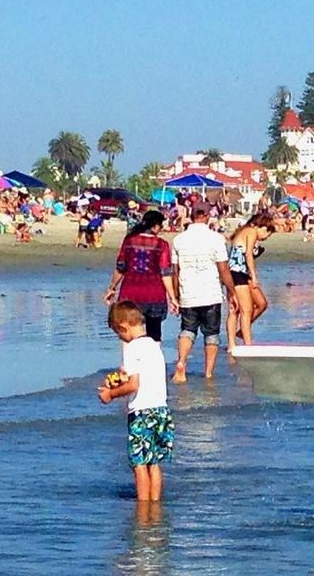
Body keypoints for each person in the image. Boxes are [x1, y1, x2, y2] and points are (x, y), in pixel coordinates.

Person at [98, 301, 174, 502]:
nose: (121, 338)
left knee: (139, 463)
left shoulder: (132, 348)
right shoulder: (153, 345)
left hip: (141, 412)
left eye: (119, 333)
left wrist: (110, 395)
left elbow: (134, 385)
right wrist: (118, 379)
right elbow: (141, 376)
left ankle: (142, 508)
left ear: (123, 327)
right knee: (154, 462)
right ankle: (155, 505)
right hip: (161, 410)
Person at [171, 208, 239, 382]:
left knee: (187, 330)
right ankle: (208, 373)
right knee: (211, 334)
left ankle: (181, 362)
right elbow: (223, 269)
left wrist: (176, 295)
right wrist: (232, 291)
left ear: (192, 216)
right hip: (210, 293)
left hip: (188, 293)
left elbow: (175, 272)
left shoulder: (178, 240)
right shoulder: (216, 239)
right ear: (207, 217)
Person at [105, 211, 180, 343]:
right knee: (154, 332)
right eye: (161, 226)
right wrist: (173, 298)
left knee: (128, 331)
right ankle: (154, 361)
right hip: (154, 294)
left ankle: (129, 362)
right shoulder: (161, 244)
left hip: (130, 292)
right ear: (156, 226)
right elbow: (165, 273)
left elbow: (121, 268)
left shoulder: (129, 241)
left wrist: (112, 288)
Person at [225, 213, 276, 353]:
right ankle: (246, 345)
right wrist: (254, 276)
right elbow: (247, 255)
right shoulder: (251, 231)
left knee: (261, 303)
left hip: (241, 272)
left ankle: (241, 333)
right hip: (236, 273)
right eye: (267, 234)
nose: (265, 238)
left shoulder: (245, 232)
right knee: (243, 310)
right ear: (263, 228)